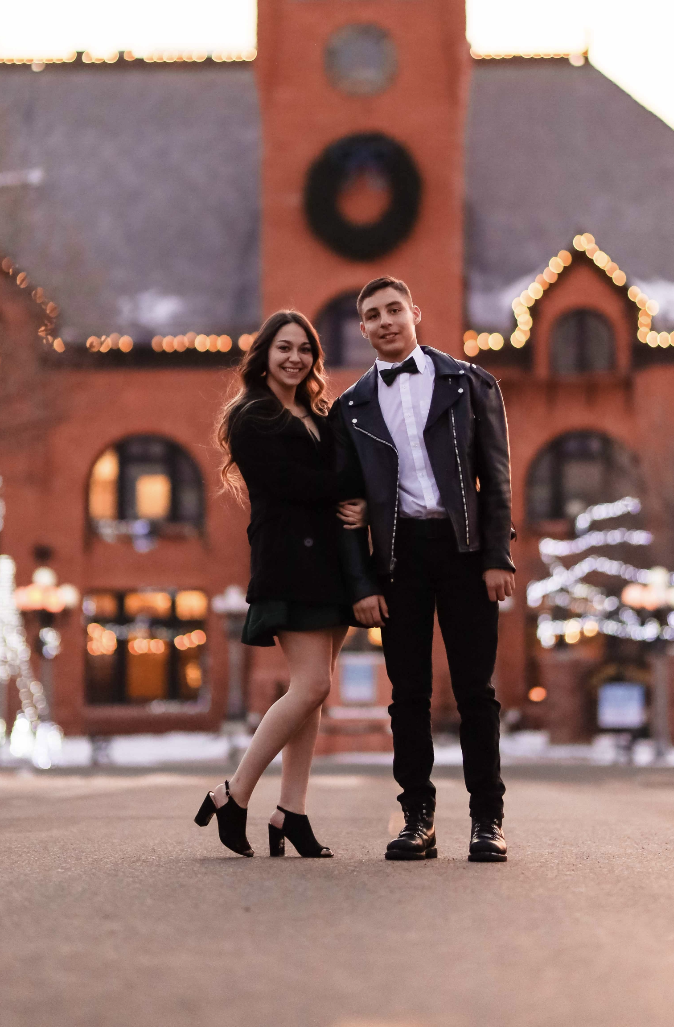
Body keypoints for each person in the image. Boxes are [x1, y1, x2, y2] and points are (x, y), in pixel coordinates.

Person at [333, 276, 515, 863]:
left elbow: (497, 479)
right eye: (372, 315)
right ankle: (418, 819)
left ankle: (487, 820)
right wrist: (360, 584)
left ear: (415, 312)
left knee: (475, 694)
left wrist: (496, 557)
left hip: (464, 553)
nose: (385, 321)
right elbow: (344, 504)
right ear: (362, 329)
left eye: (393, 310)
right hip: (397, 557)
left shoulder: (468, 383)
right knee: (407, 694)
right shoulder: (351, 407)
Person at [194, 310, 366, 859]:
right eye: (284, 348)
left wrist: (358, 504)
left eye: (305, 350)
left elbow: (331, 478)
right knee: (310, 686)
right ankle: (234, 792)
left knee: (313, 695)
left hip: (332, 564)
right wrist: (352, 485)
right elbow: (288, 484)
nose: (296, 358)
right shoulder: (251, 416)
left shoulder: (318, 412)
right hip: (290, 562)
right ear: (264, 354)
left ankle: (292, 811)